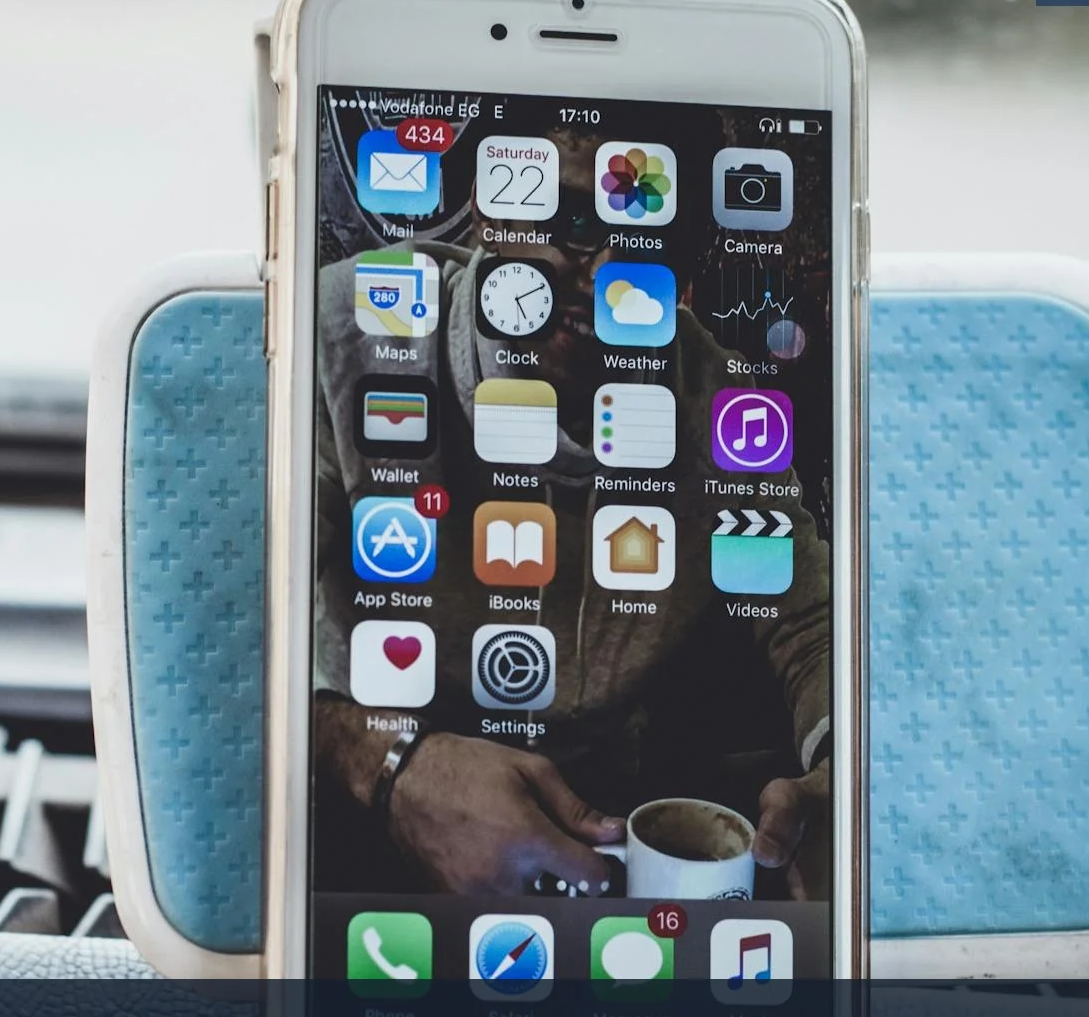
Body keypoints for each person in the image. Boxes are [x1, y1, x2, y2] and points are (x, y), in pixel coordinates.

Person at [310, 125, 833, 901]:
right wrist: (383, 764)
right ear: (492, 213)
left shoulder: (721, 403)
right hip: (363, 803)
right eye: (576, 225)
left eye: (652, 245)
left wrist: (843, 769)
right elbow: (228, 647)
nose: (612, 279)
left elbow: (807, 624)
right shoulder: (343, 333)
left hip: (604, 818)